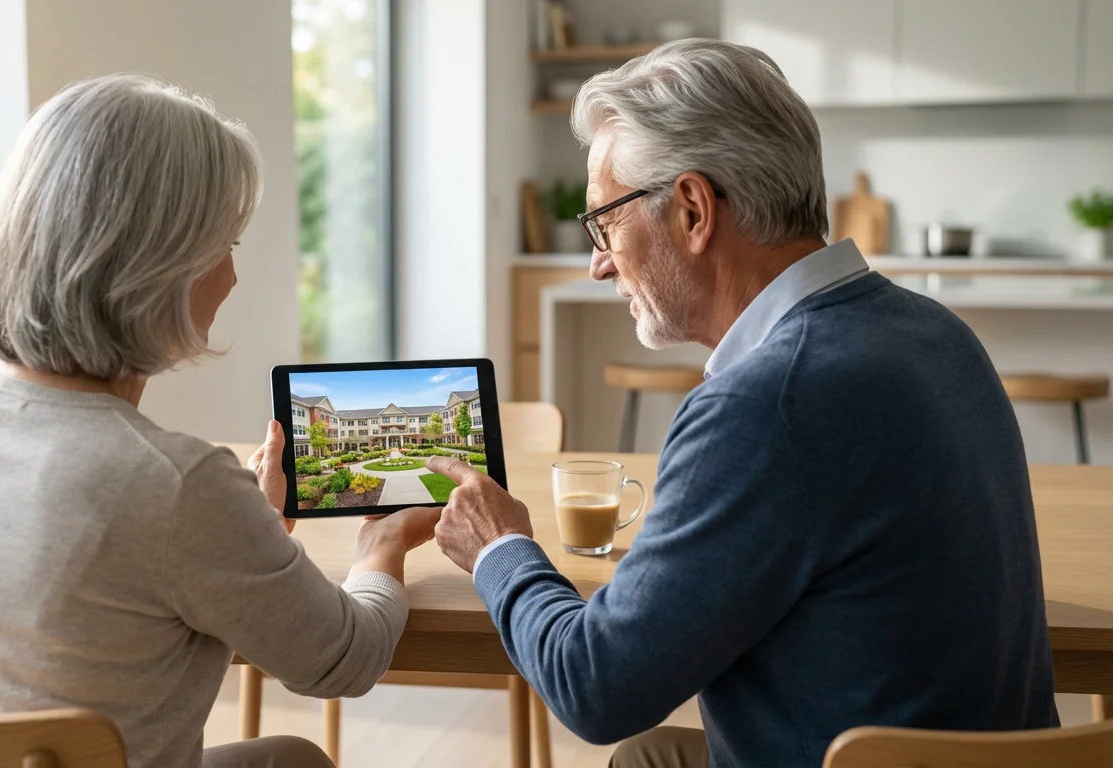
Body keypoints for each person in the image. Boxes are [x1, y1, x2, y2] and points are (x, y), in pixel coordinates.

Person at [425, 39, 1058, 768]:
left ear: (693, 210)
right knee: (648, 755)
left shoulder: (766, 404)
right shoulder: (937, 332)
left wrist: (500, 548)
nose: (598, 261)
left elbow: (593, 686)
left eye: (604, 221)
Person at [0, 74, 441, 768]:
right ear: (164, 266)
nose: (232, 279)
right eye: (227, 246)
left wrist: (247, 534)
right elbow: (345, 660)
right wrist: (381, 547)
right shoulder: (175, 483)